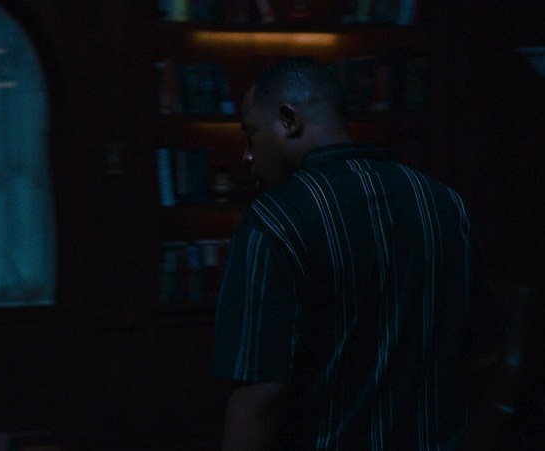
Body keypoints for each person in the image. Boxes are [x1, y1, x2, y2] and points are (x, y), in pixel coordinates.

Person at [211, 56, 506, 450]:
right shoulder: (442, 203)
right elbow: (486, 354)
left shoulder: (273, 221)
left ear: (288, 120)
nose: (247, 156)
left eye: (251, 135)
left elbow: (260, 395)